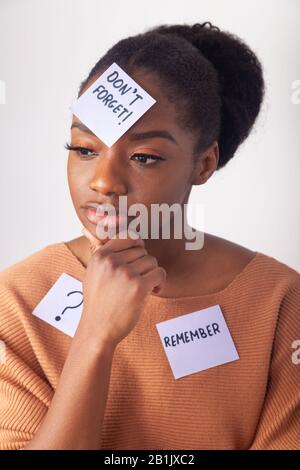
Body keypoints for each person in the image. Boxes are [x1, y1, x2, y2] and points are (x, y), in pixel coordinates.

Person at [0, 21, 299, 450]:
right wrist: (94, 338)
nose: (104, 181)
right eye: (84, 149)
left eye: (143, 156)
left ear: (204, 164)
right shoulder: (16, 301)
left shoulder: (279, 303)